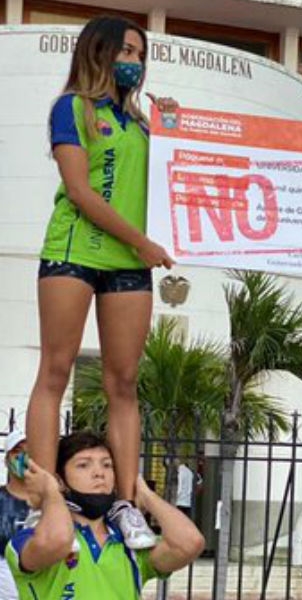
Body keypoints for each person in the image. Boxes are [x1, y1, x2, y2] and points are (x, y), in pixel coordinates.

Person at [24, 15, 177, 550]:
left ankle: (125, 504)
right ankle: (44, 496)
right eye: (125, 51)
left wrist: (183, 129)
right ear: (100, 52)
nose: (132, 61)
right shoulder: (72, 108)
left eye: (139, 53)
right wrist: (141, 242)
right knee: (56, 370)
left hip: (130, 263)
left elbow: (179, 178)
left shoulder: (141, 123)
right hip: (74, 251)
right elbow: (81, 191)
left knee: (124, 382)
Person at [6, 431, 204, 600]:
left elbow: (190, 543)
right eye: (84, 465)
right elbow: (57, 540)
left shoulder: (131, 543)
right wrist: (51, 493)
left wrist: (146, 495)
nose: (99, 473)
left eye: (107, 465)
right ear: (60, 479)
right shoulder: (28, 539)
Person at [0, 430, 31, 600]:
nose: (25, 456)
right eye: (18, 451)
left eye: (32, 450)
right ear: (6, 460)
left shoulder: (55, 503)